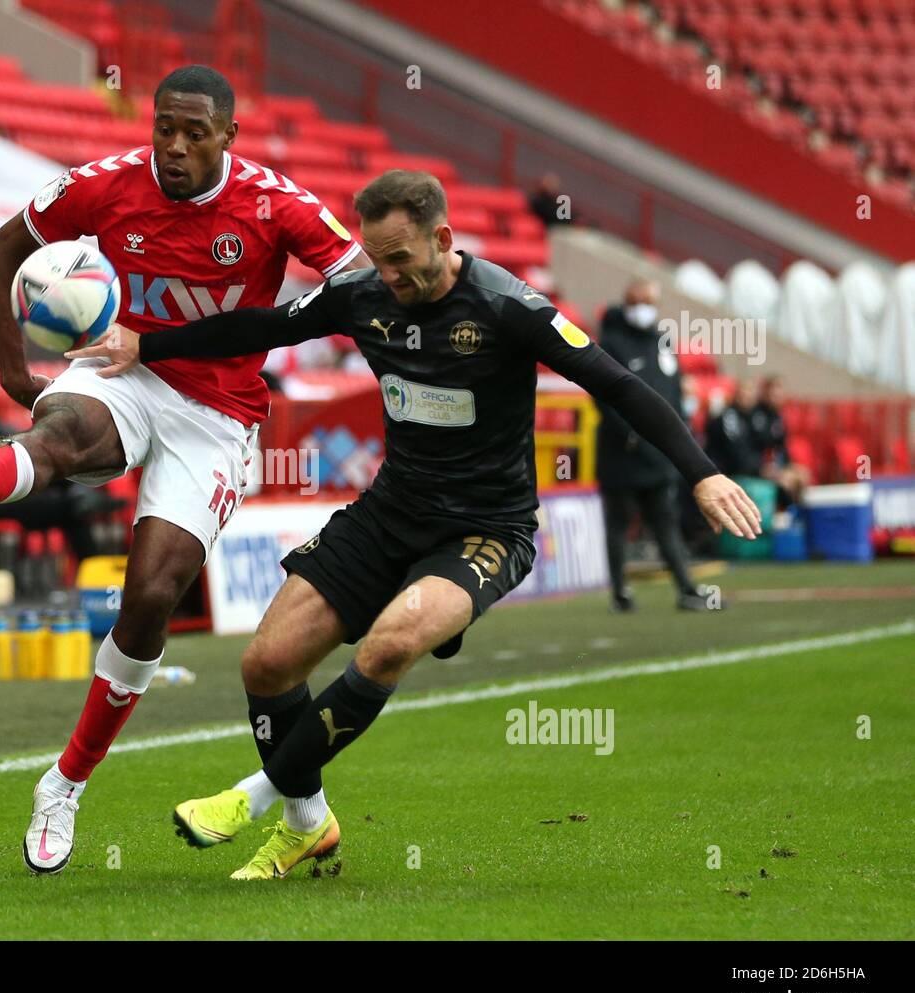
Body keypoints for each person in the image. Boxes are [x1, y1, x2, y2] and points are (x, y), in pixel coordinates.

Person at [66, 169, 761, 879]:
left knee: (391, 643)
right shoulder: (364, 295)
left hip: (487, 528)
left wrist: (701, 471)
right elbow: (265, 325)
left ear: (444, 238)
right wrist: (147, 347)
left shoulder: (507, 306)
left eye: (402, 257)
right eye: (377, 256)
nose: (388, 273)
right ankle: (310, 826)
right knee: (266, 663)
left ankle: (253, 796)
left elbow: (617, 383)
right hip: (391, 510)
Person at [0, 65, 371, 875]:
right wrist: (12, 371)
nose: (172, 145)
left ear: (228, 138)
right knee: (64, 431)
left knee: (150, 595)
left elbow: (360, 286)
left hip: (218, 415)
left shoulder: (277, 205)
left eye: (193, 132)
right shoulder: (106, 186)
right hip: (118, 367)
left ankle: (64, 778)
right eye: (163, 126)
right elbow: (6, 247)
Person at [595, 279, 713, 612]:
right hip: (622, 455)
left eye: (649, 301)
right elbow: (602, 395)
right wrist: (631, 434)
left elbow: (673, 390)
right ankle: (620, 592)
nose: (644, 308)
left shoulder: (661, 340)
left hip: (659, 454)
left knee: (666, 524)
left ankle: (687, 589)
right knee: (619, 524)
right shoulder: (611, 343)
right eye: (638, 301)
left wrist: (680, 433)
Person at [0, 368, 110, 562]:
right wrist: (31, 442)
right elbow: (0, 434)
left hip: (3, 492)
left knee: (65, 496)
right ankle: (82, 499)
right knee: (70, 504)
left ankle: (79, 495)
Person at [750, 375, 809, 506]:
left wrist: (789, 466)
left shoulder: (777, 416)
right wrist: (767, 468)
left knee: (802, 475)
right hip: (759, 466)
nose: (775, 396)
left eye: (778, 393)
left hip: (775, 464)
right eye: (772, 392)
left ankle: (796, 517)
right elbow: (757, 445)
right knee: (786, 481)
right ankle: (780, 515)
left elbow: (782, 447)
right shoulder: (756, 414)